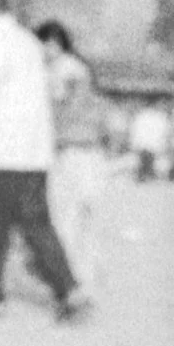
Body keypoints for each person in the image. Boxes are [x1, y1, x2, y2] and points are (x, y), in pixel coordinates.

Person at [0, 0, 86, 319]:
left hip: (0, 152)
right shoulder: (28, 41)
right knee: (37, 224)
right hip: (33, 153)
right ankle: (69, 290)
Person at [33, 17, 111, 290]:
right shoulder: (75, 67)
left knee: (66, 218)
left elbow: (67, 108)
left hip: (71, 151)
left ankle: (69, 282)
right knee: (84, 218)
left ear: (52, 44)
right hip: (86, 151)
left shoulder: (65, 69)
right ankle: (82, 278)